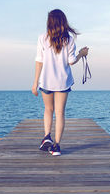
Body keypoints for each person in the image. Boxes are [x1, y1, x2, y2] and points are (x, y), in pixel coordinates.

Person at [32, 9, 89, 156]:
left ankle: (46, 137)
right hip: (63, 82)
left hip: (45, 81)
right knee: (60, 113)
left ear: (49, 22)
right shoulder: (69, 39)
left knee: (48, 110)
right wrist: (81, 54)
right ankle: (56, 146)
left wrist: (34, 83)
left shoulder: (42, 38)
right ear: (63, 22)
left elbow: (39, 61)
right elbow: (71, 62)